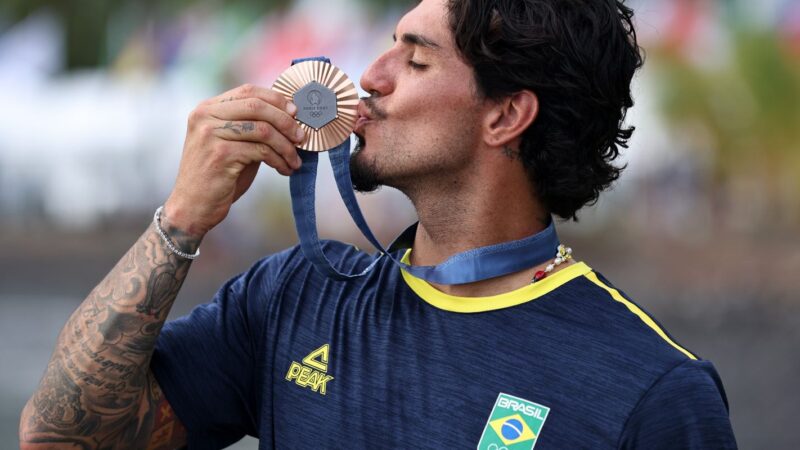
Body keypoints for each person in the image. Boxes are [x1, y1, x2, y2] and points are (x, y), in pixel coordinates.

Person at [19, 0, 737, 448]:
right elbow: (61, 434)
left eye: (415, 59)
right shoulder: (295, 298)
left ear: (505, 114)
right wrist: (180, 223)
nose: (371, 75)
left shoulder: (653, 390)